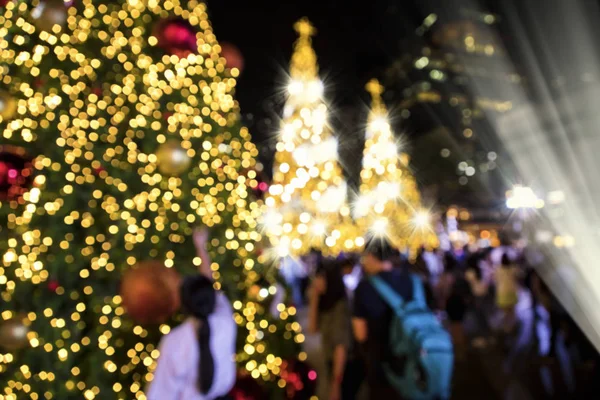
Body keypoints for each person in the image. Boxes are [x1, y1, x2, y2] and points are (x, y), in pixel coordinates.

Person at [147, 228, 236, 400]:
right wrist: (201, 247)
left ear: (183, 306)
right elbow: (209, 283)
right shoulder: (225, 320)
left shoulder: (175, 342)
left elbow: (160, 393)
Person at [352, 239, 412, 399]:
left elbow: (360, 334)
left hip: (382, 364)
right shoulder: (411, 281)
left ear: (371, 256)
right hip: (413, 358)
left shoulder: (364, 287)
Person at [308, 257, 351, 400]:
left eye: (320, 277)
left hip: (343, 367)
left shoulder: (340, 306)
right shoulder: (324, 301)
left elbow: (341, 346)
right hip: (330, 361)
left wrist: (336, 384)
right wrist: (314, 297)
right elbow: (313, 329)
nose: (316, 281)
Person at [495, 253, 519, 333]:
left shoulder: (498, 269)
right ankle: (512, 326)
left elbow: (495, 280)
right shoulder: (513, 268)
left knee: (505, 312)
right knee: (512, 311)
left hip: (502, 292)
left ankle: (506, 327)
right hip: (511, 290)